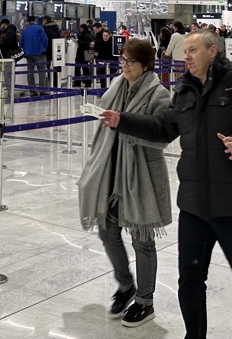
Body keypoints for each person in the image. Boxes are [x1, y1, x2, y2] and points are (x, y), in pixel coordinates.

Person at [99, 32, 232, 339]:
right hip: (194, 204)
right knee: (190, 279)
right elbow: (163, 128)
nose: (186, 56)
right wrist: (123, 120)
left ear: (212, 51)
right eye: (185, 51)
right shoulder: (184, 91)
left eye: (192, 50)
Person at [79, 38, 171, 328]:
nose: (124, 66)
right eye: (123, 60)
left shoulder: (159, 94)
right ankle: (125, 284)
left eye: (130, 62)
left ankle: (145, 300)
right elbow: (108, 115)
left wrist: (124, 122)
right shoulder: (118, 85)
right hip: (111, 169)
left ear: (145, 64)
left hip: (139, 174)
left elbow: (162, 134)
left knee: (142, 239)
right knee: (107, 232)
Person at [20, 16, 48, 90]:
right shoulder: (40, 28)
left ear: (28, 22)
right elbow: (45, 40)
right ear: (35, 20)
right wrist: (44, 48)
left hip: (28, 54)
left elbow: (21, 43)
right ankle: (42, 90)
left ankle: (32, 91)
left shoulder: (25, 30)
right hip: (39, 53)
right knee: (42, 72)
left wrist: (26, 49)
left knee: (30, 72)